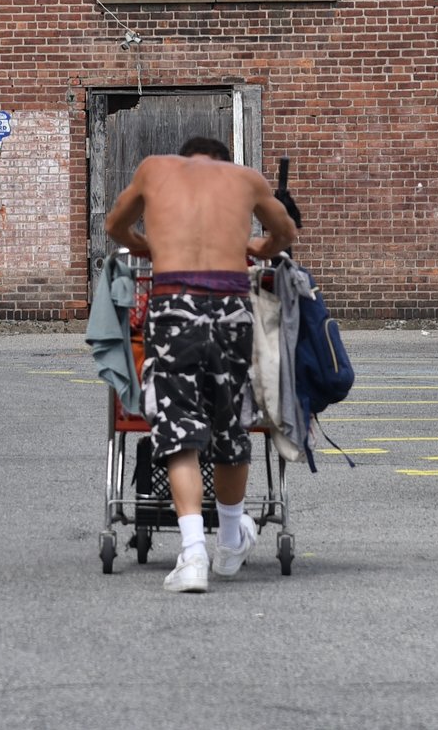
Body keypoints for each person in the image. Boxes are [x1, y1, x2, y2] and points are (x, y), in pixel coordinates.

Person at [103, 136, 297, 592]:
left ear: (184, 156)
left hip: (173, 307)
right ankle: (230, 542)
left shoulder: (153, 166)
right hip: (231, 309)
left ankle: (193, 556)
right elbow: (286, 234)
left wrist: (147, 246)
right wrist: (257, 248)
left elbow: (115, 226)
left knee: (178, 428)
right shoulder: (246, 178)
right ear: (221, 162)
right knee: (230, 426)